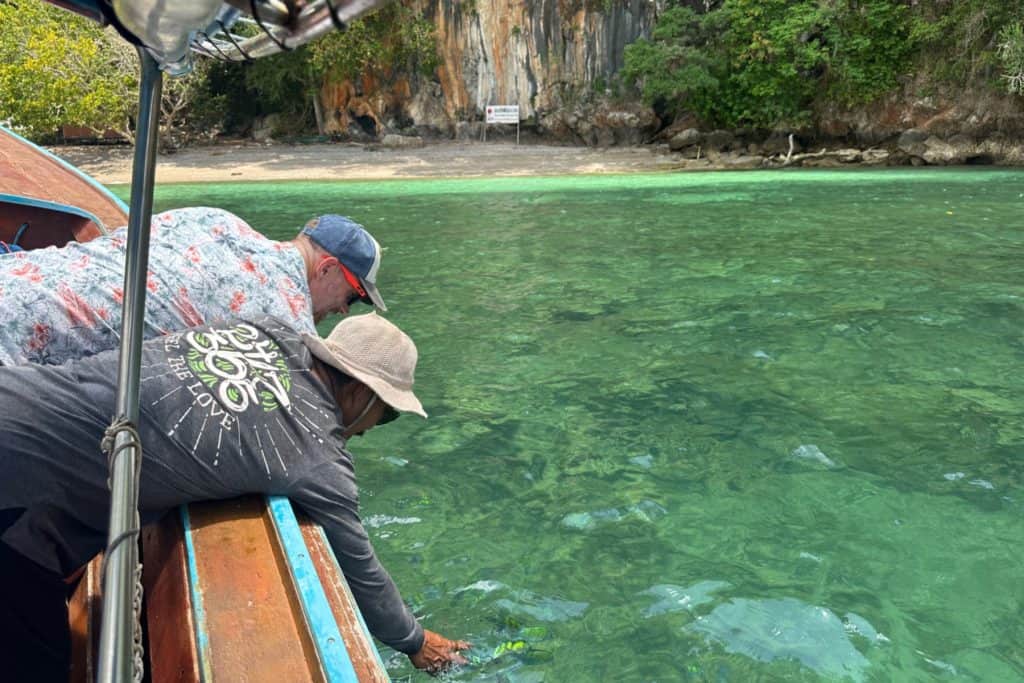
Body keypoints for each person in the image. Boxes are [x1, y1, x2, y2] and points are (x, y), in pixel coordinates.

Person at [0, 312, 469, 680]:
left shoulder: (265, 326)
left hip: (17, 394)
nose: (372, 431)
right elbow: (361, 567)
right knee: (38, 662)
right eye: (387, 416)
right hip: (18, 493)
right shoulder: (316, 455)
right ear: (364, 394)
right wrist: (413, 640)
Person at [0, 207, 387, 366]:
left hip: (15, 272)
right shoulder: (286, 324)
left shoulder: (217, 218)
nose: (342, 311)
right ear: (329, 269)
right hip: (17, 355)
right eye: (352, 296)